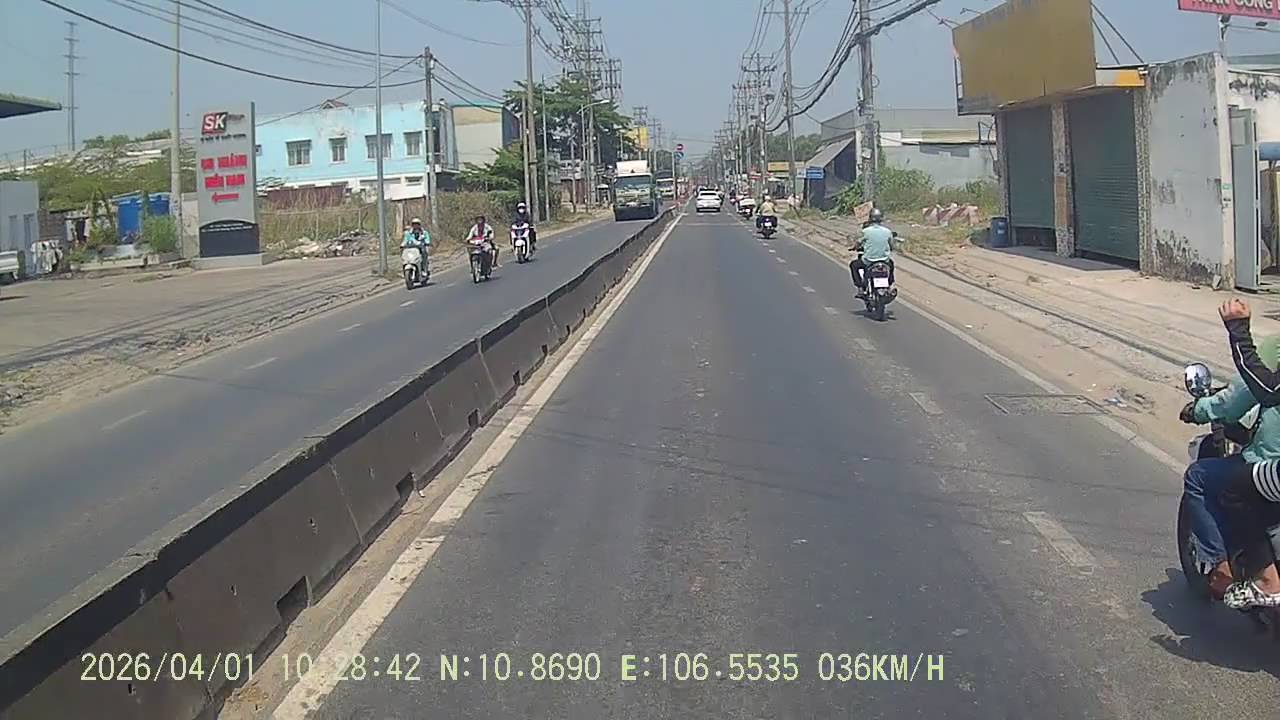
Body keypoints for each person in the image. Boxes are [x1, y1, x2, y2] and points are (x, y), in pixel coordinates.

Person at [1195, 298, 1280, 608]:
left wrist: (1238, 330)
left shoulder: (1274, 346)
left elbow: (1263, 390)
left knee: (1233, 489)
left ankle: (1265, 581)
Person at [850, 208, 894, 298]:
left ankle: (860, 288)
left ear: (870, 218)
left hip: (868, 261)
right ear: (881, 218)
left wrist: (854, 247)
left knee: (853, 265)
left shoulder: (865, 231)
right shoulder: (887, 231)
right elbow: (891, 245)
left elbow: (858, 243)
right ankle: (890, 285)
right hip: (884, 261)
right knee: (891, 265)